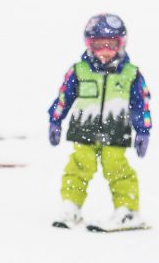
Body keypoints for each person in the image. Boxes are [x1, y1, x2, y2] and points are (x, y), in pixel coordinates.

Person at [48, 14, 152, 229]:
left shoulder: (131, 75)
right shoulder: (79, 71)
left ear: (121, 44)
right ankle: (71, 207)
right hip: (83, 130)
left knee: (117, 169)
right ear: (89, 44)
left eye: (111, 45)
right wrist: (56, 120)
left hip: (115, 132)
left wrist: (143, 130)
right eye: (98, 45)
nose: (104, 51)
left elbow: (141, 104)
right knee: (78, 167)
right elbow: (63, 97)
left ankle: (128, 211)